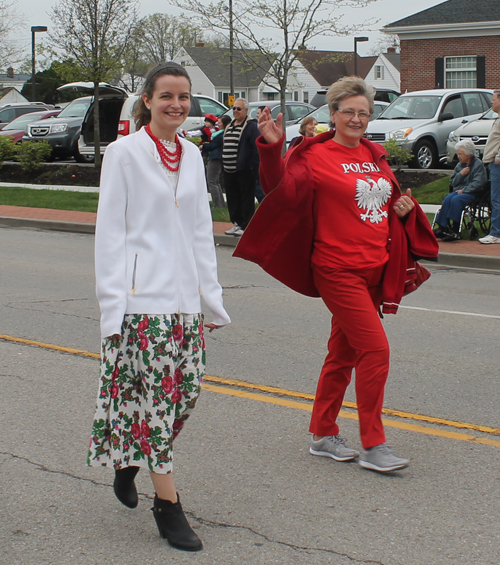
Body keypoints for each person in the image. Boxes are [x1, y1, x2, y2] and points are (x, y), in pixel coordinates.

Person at [234, 76, 438, 473]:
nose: (357, 119)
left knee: (343, 353)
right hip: (336, 269)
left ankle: (324, 433)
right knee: (376, 350)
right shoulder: (315, 155)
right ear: (332, 114)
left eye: (364, 112)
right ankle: (374, 444)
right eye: (349, 112)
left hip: (374, 269)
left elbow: (390, 200)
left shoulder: (373, 154)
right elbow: (281, 190)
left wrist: (403, 209)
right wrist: (273, 147)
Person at [88, 61, 231, 552]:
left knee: (184, 395)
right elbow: (109, 234)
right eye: (166, 95)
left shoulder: (191, 155)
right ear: (147, 99)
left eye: (184, 97)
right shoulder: (123, 153)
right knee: (155, 403)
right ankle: (168, 506)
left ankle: (130, 460)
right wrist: (113, 307)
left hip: (183, 301)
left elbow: (198, 233)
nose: (176, 104)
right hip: (139, 302)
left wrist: (210, 299)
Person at [434, 139, 487, 241]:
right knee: (448, 198)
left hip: (474, 193)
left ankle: (455, 230)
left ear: (469, 154)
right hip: (459, 191)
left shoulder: (478, 165)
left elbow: (479, 183)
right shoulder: (459, 165)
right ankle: (442, 227)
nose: (458, 156)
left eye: (461, 154)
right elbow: (453, 182)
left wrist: (465, 190)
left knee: (456, 200)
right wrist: (461, 174)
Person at [222, 98, 260, 236]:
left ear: (246, 110)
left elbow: (256, 148)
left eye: (239, 109)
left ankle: (246, 225)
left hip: (245, 169)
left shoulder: (251, 126)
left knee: (246, 197)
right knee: (233, 198)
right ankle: (237, 223)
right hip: (228, 169)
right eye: (234, 108)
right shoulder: (230, 125)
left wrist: (250, 166)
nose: (235, 111)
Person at [479, 89, 500, 244]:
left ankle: (496, 233)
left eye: (494, 99)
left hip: (497, 165)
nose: (492, 102)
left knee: (496, 198)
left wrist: (497, 159)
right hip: (494, 163)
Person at [202, 114, 231, 208]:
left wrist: (204, 146)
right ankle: (220, 204)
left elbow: (213, 145)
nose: (217, 123)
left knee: (211, 182)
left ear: (224, 124)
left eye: (219, 122)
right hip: (217, 157)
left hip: (215, 158)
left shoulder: (221, 135)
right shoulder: (221, 133)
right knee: (216, 181)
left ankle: (217, 205)